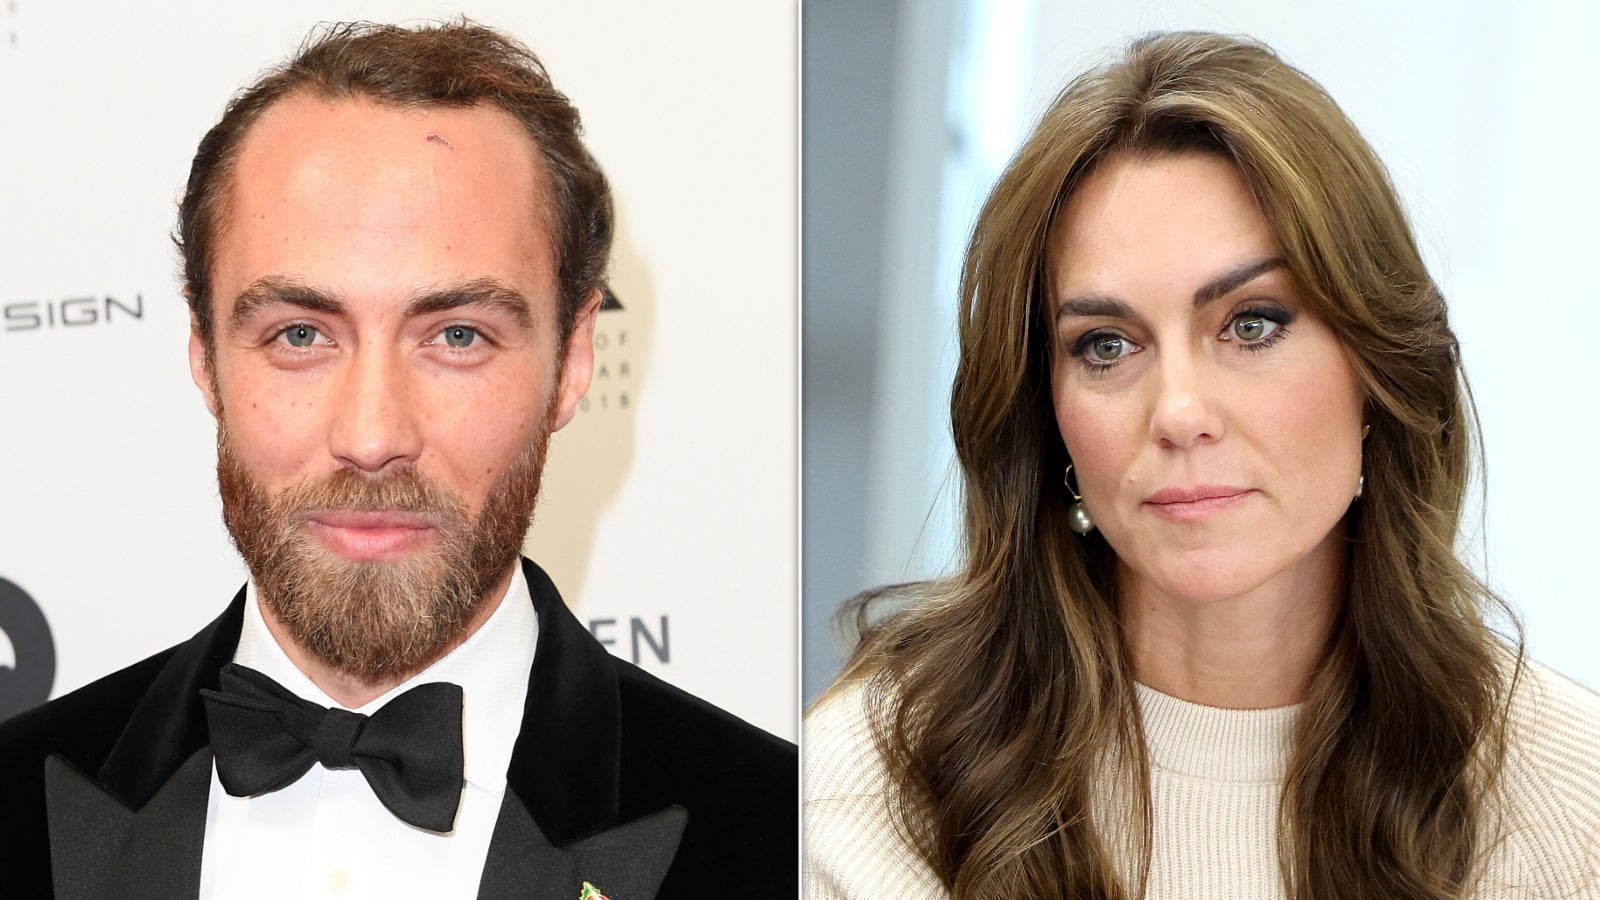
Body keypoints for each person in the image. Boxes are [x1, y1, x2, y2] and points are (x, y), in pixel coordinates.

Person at [0, 20, 795, 899]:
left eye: (456, 336)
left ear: (572, 363)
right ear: (204, 355)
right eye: (300, 335)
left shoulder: (779, 833)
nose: (373, 437)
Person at [805, 31, 1600, 899]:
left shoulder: (1568, 804)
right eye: (1106, 346)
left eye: (1251, 325)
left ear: (1376, 371)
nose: (1179, 414)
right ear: (1048, 414)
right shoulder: (868, 794)